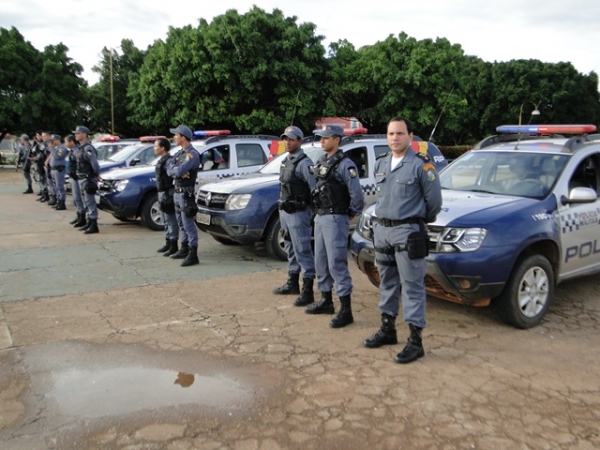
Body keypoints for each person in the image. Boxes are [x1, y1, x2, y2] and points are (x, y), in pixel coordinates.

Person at [363, 116, 442, 364]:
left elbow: (434, 204)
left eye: (399, 133)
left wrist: (415, 220)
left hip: (407, 233)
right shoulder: (381, 163)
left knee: (412, 286)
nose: (394, 138)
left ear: (410, 136)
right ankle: (388, 329)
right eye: (390, 134)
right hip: (382, 232)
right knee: (386, 282)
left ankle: (415, 341)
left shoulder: (421, 166)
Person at [306, 124, 365, 328]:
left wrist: (350, 213)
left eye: (326, 137)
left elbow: (356, 194)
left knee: (336, 263)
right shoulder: (321, 160)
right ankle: (326, 301)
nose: (322, 140)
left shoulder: (345, 164)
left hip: (335, 218)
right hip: (321, 217)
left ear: (337, 139)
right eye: (321, 137)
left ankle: (346, 310)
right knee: (320, 260)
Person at [272, 126, 317, 306]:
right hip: (285, 212)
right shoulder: (286, 160)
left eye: (291, 139)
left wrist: (312, 213)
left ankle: (308, 290)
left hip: (299, 213)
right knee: (290, 248)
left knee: (302, 250)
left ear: (300, 140)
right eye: (285, 139)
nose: (287, 142)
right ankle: (293, 283)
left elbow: (315, 189)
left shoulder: (304, 164)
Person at [166, 125, 201, 267]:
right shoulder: (179, 154)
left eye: (176, 135)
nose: (174, 137)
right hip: (177, 192)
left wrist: (177, 171)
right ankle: (184, 248)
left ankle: (193, 254)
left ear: (183, 137)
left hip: (186, 194)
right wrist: (176, 171)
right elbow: (169, 169)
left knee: (188, 224)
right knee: (181, 223)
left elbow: (179, 170)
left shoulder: (191, 154)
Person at [153, 137, 179, 257]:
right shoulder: (162, 160)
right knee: (165, 219)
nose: (154, 148)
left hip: (168, 192)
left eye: (156, 146)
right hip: (162, 192)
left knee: (170, 219)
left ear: (163, 148)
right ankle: (168, 242)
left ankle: (173, 244)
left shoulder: (168, 161)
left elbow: (173, 176)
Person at [73, 126, 101, 234]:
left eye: (78, 133)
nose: (76, 135)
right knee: (85, 201)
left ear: (84, 134)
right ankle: (89, 222)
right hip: (81, 178)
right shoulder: (81, 147)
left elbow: (95, 164)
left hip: (87, 178)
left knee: (90, 201)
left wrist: (95, 175)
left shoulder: (88, 148)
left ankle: (93, 224)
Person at [65, 135, 87, 226]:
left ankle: (82, 217)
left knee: (79, 197)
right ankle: (78, 215)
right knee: (75, 197)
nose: (65, 144)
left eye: (66, 142)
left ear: (72, 142)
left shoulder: (77, 151)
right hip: (72, 177)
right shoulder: (72, 151)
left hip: (77, 177)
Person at [49, 134, 68, 210]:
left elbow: (58, 156)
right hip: (53, 169)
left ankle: (62, 202)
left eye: (53, 140)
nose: (52, 142)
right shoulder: (56, 148)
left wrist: (52, 148)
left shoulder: (62, 148)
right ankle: (58, 201)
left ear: (57, 140)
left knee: (60, 187)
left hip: (59, 170)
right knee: (56, 187)